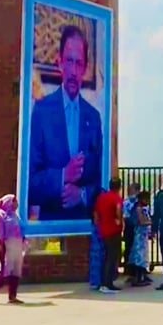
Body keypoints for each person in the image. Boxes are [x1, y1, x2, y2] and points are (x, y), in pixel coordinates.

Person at [28, 24, 103, 221]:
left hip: (84, 229)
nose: (73, 71)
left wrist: (82, 195)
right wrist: (63, 175)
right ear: (59, 62)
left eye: (79, 63)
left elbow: (101, 181)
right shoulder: (42, 111)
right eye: (69, 61)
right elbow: (30, 184)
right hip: (51, 229)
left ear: (85, 68)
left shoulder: (94, 118)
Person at [0, 194, 28, 305]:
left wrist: (24, 240)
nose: (16, 204)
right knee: (5, 270)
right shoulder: (0, 216)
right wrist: (0, 243)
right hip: (7, 245)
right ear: (8, 203)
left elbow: (20, 229)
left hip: (17, 245)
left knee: (16, 271)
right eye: (14, 202)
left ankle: (12, 296)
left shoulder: (15, 216)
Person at [93, 178, 124, 294]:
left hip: (103, 230)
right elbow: (118, 210)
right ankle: (108, 283)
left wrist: (99, 224)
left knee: (106, 256)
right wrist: (119, 221)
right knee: (112, 257)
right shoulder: (116, 198)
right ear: (119, 187)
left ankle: (104, 282)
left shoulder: (101, 197)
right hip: (113, 230)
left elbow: (96, 213)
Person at [128, 191, 152, 286]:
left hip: (142, 235)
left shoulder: (140, 208)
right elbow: (141, 222)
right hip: (139, 235)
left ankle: (141, 276)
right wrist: (151, 222)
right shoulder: (138, 209)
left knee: (141, 256)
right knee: (139, 257)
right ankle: (138, 279)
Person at [122, 182, 140, 280]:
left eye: (131, 189)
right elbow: (124, 215)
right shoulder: (126, 202)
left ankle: (137, 269)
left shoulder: (139, 202)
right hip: (129, 226)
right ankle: (128, 268)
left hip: (137, 227)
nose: (130, 191)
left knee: (137, 248)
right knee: (129, 247)